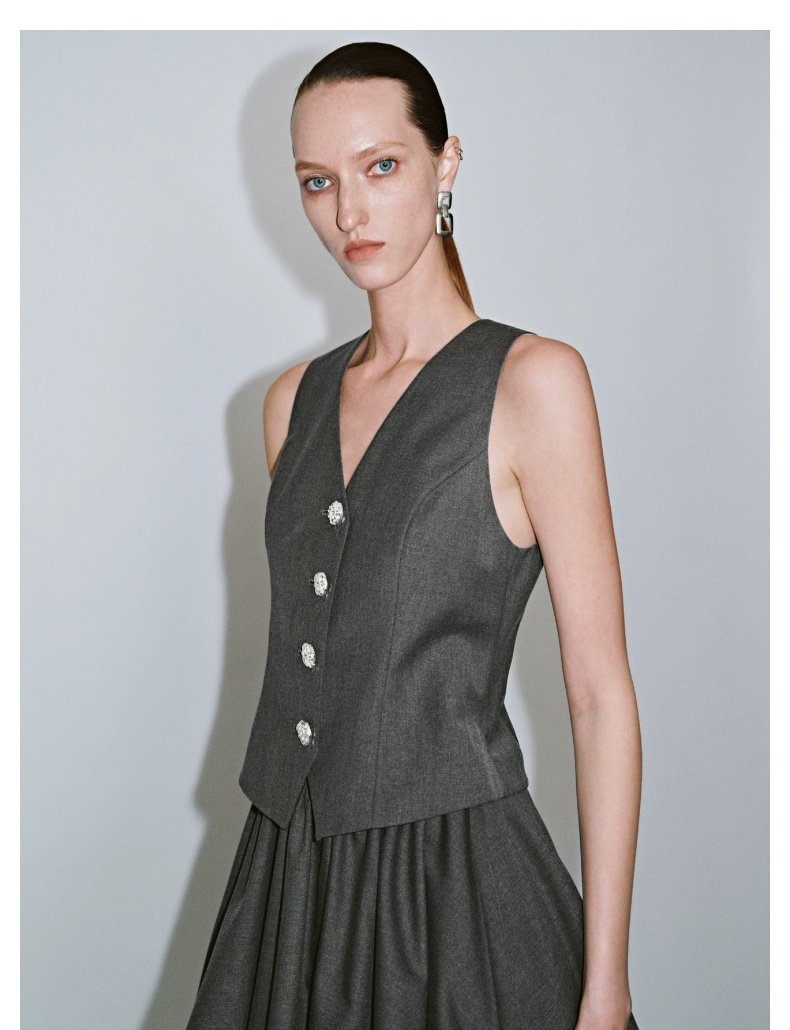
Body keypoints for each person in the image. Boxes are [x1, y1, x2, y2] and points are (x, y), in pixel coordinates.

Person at [185, 40, 641, 1030]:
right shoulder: (289, 405)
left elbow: (600, 695)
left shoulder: (533, 385)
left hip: (452, 893)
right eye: (318, 182)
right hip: (288, 887)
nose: (348, 213)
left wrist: (604, 983)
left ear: (446, 163)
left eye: (380, 166)